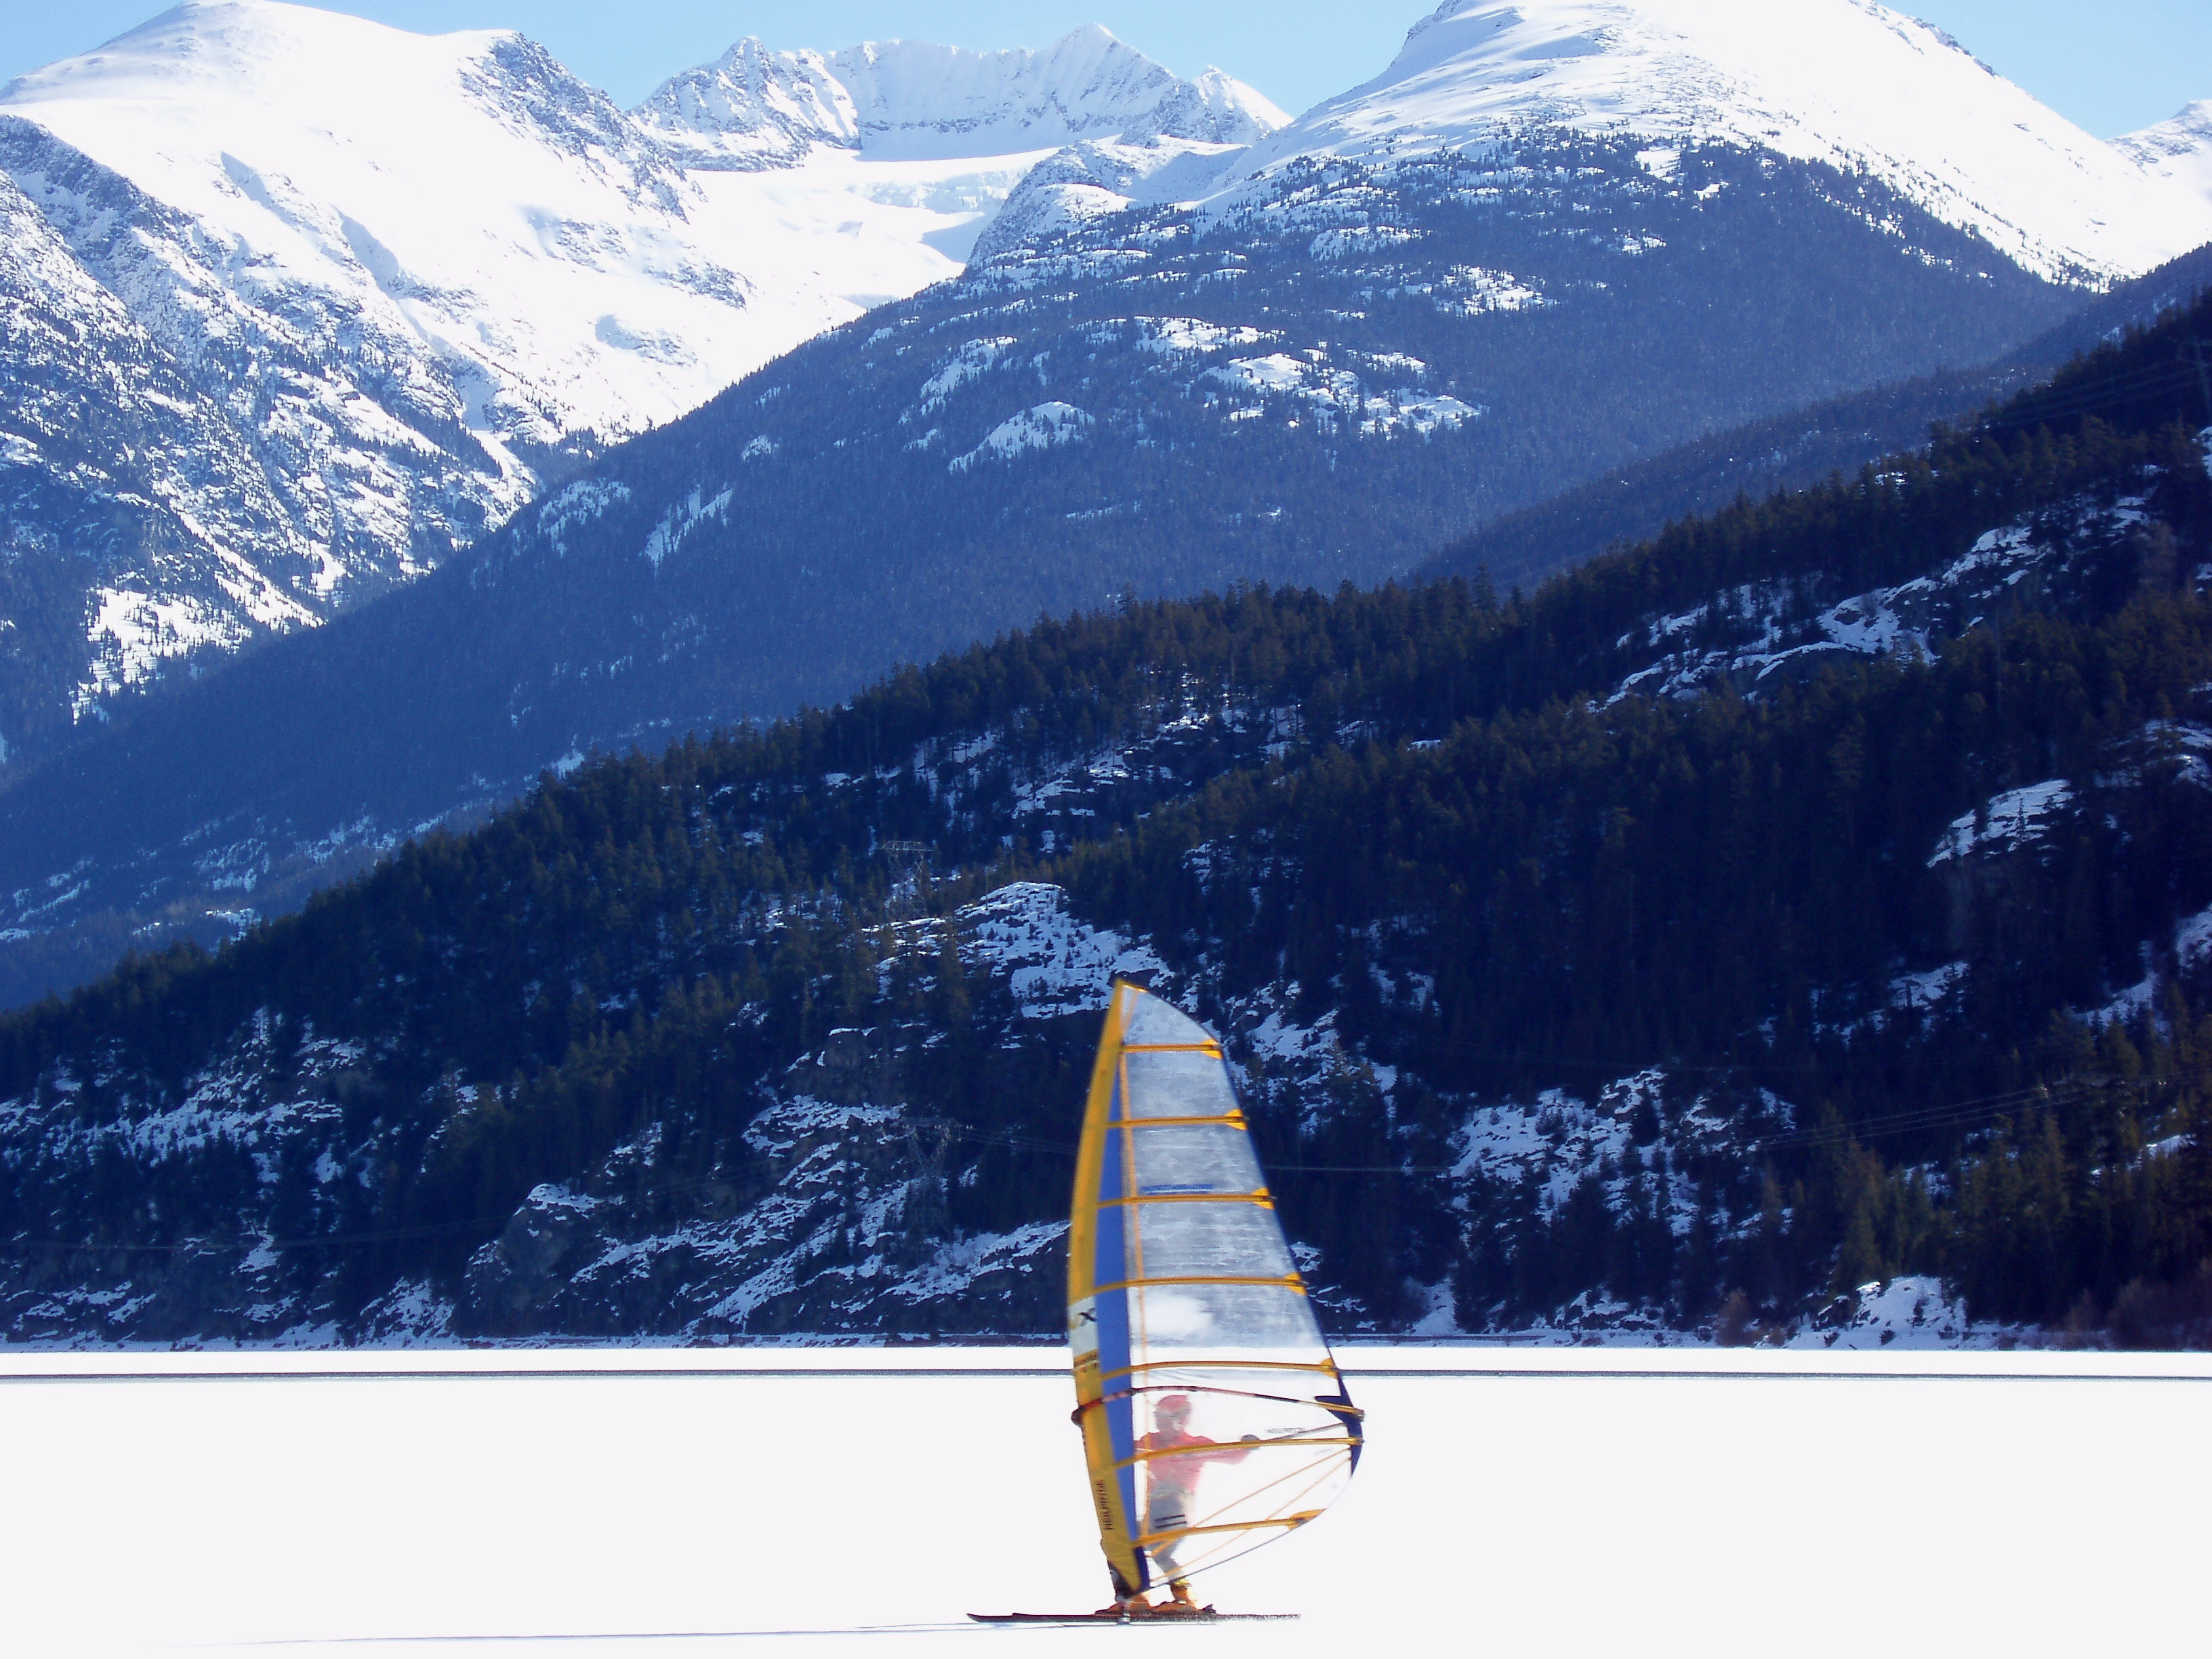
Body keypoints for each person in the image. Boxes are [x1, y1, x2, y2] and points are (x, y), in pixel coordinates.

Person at [1135, 1393, 1256, 1613]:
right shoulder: (1149, 1441)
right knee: (1122, 1542)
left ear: (1181, 1419)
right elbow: (1119, 1448)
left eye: (1166, 1417)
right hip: (1154, 1508)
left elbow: (1231, 1457)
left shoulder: (1194, 1445)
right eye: (1157, 1416)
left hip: (1178, 1506)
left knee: (1160, 1553)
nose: (1160, 1422)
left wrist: (1247, 1447)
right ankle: (1136, 1596)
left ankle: (1186, 1598)